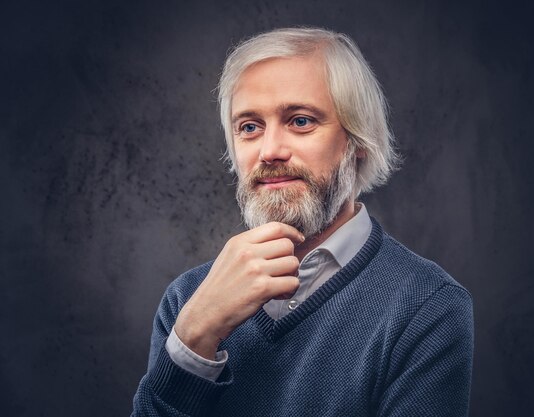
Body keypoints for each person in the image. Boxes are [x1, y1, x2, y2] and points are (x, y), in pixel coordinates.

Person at [132, 27, 473, 416]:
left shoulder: (427, 306)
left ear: (357, 142)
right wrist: (193, 339)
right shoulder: (187, 300)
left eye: (300, 121)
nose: (270, 151)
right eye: (249, 127)